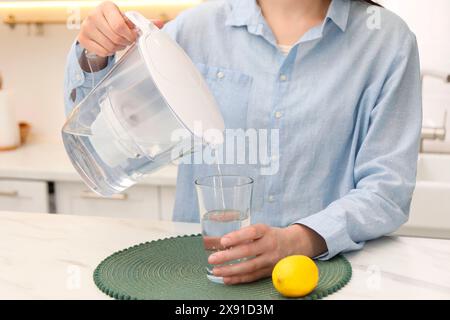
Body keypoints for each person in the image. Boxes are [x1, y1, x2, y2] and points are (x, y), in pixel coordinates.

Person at [64, 0, 422, 285]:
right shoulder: (195, 28)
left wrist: (299, 241)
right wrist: (95, 53)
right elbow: (99, 120)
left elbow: (386, 191)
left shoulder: (387, 43)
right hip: (195, 276)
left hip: (319, 276)